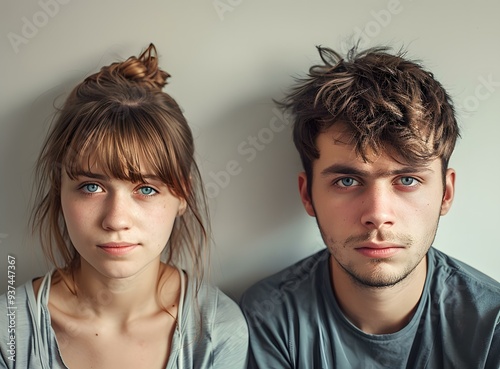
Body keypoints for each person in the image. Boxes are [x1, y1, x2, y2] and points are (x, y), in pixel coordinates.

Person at [240, 45, 500, 368]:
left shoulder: (492, 326)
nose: (377, 215)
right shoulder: (272, 318)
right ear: (308, 195)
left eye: (407, 181)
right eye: (347, 181)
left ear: (446, 193)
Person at [0, 44, 248, 369]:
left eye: (145, 189)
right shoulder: (10, 334)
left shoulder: (219, 330)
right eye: (92, 187)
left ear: (182, 195)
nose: (116, 220)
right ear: (60, 189)